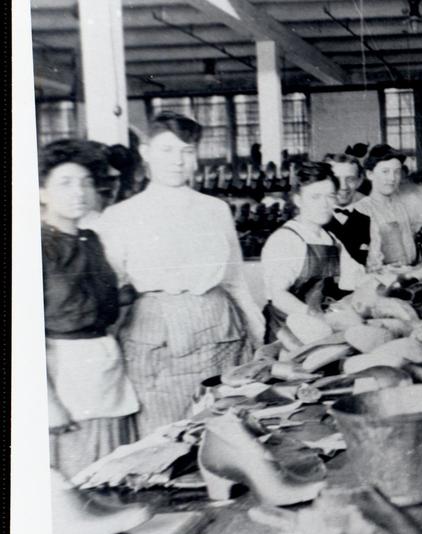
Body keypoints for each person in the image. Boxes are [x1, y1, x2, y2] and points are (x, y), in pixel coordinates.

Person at [96, 112, 263, 437]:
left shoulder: (215, 209)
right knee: (164, 434)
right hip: (156, 336)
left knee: (226, 428)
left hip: (221, 329)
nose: (177, 160)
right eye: (167, 150)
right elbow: (113, 289)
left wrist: (256, 326)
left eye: (187, 151)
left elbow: (234, 279)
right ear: (146, 153)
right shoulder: (120, 216)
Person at [40, 140, 140, 477]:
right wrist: (48, 403)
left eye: (85, 182)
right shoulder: (36, 245)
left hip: (106, 373)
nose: (79, 192)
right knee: (79, 480)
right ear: (41, 192)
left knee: (112, 473)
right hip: (64, 378)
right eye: (65, 183)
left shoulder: (92, 240)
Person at [260, 162, 370, 342]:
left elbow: (349, 283)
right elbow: (278, 295)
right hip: (287, 330)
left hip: (320, 326)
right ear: (298, 200)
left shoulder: (330, 239)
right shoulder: (286, 240)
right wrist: (315, 317)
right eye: (315, 197)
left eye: (330, 196)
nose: (325, 205)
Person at [356, 145, 422, 272]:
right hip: (379, 282)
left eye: (397, 172)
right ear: (370, 174)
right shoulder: (362, 210)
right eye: (385, 171)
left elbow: (410, 251)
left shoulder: (400, 207)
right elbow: (365, 262)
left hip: (407, 276)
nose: (392, 178)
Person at [322, 153, 372, 266]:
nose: (343, 186)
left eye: (350, 179)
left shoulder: (373, 214)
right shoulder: (314, 218)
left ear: (359, 181)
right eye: (336, 179)